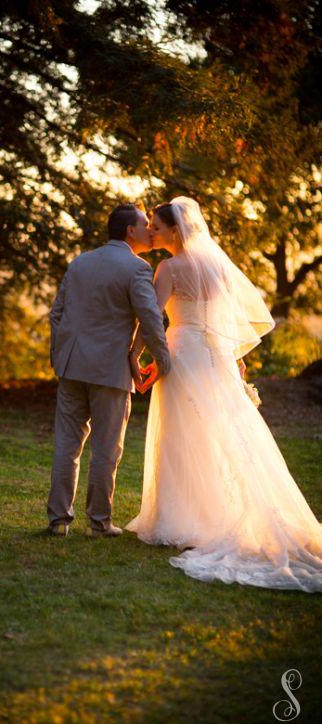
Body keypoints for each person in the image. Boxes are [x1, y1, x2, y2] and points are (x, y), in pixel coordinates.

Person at [125, 196, 322, 593]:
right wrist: (234, 360)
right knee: (223, 433)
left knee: (181, 436)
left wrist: (134, 355)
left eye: (157, 228)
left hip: (183, 355)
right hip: (215, 357)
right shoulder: (217, 266)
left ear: (175, 231)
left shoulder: (169, 267)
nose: (151, 232)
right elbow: (225, 319)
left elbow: (151, 318)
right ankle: (216, 513)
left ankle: (182, 520)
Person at [46, 204, 170, 538]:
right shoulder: (137, 269)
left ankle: (58, 520)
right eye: (146, 223)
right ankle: (99, 523)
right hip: (110, 370)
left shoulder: (81, 262)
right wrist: (164, 359)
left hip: (71, 366)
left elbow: (56, 314)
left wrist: (60, 356)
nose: (150, 229)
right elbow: (150, 317)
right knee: (106, 448)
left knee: (66, 445)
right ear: (130, 230)